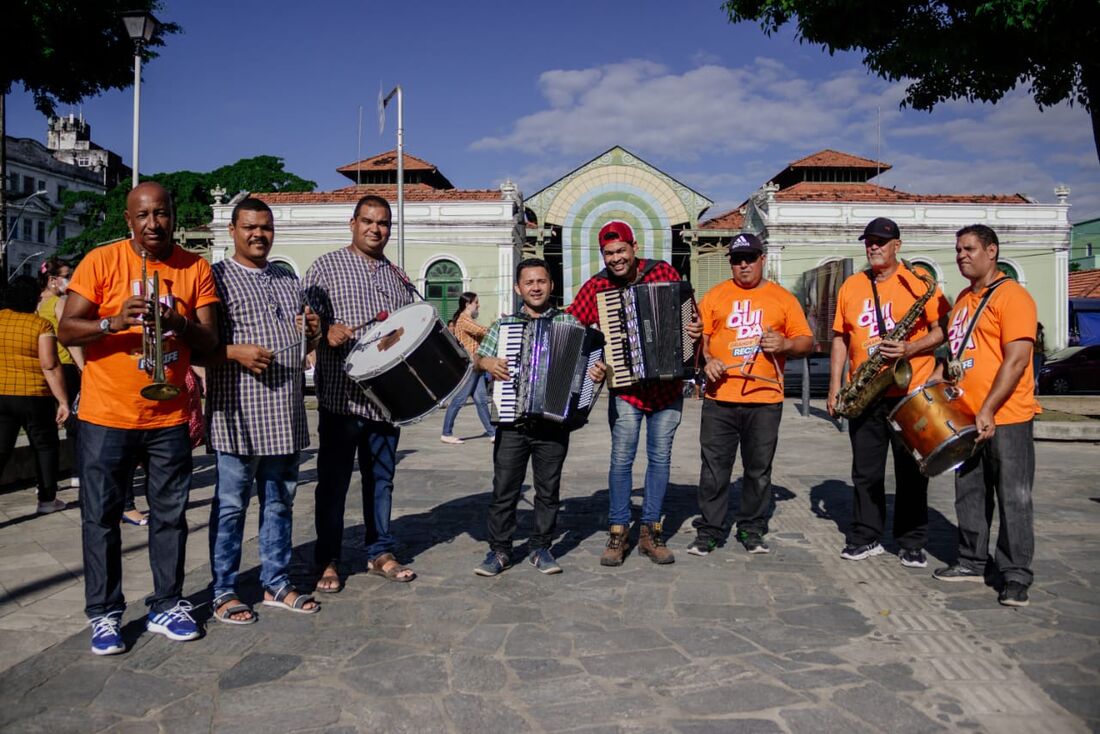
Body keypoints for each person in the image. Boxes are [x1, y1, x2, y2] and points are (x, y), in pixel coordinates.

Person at [59, 181, 219, 655]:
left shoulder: (196, 267)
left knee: (170, 517)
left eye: (162, 213)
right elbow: (68, 326)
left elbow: (209, 344)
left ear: (173, 214)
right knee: (101, 518)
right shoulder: (100, 261)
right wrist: (112, 321)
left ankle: (167, 603)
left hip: (167, 416)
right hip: (106, 415)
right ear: (128, 220)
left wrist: (180, 324)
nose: (154, 223)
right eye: (143, 216)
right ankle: (105, 614)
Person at [204, 198, 321, 624]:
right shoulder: (214, 278)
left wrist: (312, 332)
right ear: (233, 230)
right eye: (250, 227)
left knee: (280, 501)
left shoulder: (288, 281)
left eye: (266, 227)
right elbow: (199, 343)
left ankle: (275, 581)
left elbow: (306, 344)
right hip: (237, 410)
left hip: (284, 409)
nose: (258, 234)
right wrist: (235, 352)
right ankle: (223, 589)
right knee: (232, 504)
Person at [566, 221, 701, 566]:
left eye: (621, 251)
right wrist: (594, 361)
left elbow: (692, 320)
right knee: (621, 460)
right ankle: (617, 530)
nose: (615, 259)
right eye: (609, 254)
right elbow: (571, 327)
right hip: (626, 391)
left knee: (660, 460)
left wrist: (694, 329)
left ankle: (651, 532)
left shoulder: (664, 272)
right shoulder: (596, 287)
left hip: (668, 389)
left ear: (634, 247)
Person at [303, 195, 416, 592]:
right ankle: (328, 559)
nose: (375, 229)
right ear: (352, 223)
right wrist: (324, 332)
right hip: (340, 399)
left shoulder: (398, 276)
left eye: (383, 223)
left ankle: (379, 551)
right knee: (333, 484)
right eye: (368, 221)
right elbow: (306, 323)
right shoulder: (325, 267)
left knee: (381, 480)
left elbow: (407, 329)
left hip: (386, 403)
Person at [827, 217, 950, 568]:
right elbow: (840, 337)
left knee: (912, 472)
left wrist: (909, 350)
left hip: (910, 391)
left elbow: (942, 331)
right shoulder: (851, 285)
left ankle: (911, 541)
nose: (874, 246)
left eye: (881, 240)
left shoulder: (918, 284)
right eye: (869, 241)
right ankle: (865, 537)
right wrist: (835, 385)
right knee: (865, 472)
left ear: (898, 244)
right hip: (866, 391)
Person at [932, 225, 1040, 607]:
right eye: (958, 249)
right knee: (970, 494)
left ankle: (1015, 575)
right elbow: (959, 354)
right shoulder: (962, 299)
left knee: (1014, 496)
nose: (961, 255)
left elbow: (1017, 359)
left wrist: (989, 409)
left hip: (1006, 416)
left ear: (991, 251)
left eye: (970, 248)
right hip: (966, 415)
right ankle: (972, 560)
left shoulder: (1013, 297)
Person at [473, 258, 601, 576]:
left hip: (553, 423)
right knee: (505, 488)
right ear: (518, 288)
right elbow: (477, 359)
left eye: (541, 281)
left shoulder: (571, 324)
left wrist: (597, 374)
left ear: (551, 285)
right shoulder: (503, 328)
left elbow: (587, 367)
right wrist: (485, 364)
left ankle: (540, 548)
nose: (535, 287)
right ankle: (499, 551)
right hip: (512, 422)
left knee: (548, 490)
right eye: (529, 282)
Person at [690, 234, 813, 556]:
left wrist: (786, 345)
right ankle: (710, 530)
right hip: (720, 398)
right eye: (736, 259)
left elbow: (806, 342)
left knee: (758, 471)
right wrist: (708, 361)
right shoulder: (715, 296)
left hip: (765, 399)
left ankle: (751, 528)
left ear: (762, 259)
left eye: (750, 258)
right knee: (714, 469)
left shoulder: (783, 298)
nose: (743, 265)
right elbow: (699, 341)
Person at [0, 276, 70, 514]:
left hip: (1, 394)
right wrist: (62, 401)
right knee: (45, 447)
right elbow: (49, 365)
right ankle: (47, 500)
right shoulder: (40, 325)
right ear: (34, 299)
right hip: (34, 395)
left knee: (1, 449)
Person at [440, 292, 494, 444]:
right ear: (468, 304)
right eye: (476, 302)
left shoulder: (467, 319)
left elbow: (481, 337)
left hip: (477, 365)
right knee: (459, 399)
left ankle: (493, 433)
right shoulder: (464, 320)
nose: (478, 305)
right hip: (469, 365)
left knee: (481, 400)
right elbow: (482, 331)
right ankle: (446, 433)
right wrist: (496, 326)